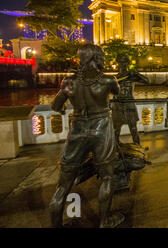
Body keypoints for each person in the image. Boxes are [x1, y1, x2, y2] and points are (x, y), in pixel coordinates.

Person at [49, 44, 124, 227]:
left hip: (78, 129)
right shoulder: (108, 80)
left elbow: (55, 106)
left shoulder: (69, 82)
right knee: (107, 177)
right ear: (96, 57)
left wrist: (67, 107)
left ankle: (56, 225)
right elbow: (118, 94)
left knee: (63, 184)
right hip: (101, 127)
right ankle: (104, 221)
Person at [111, 53, 150, 146]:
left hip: (129, 103)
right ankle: (116, 147)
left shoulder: (131, 76)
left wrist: (137, 73)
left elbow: (147, 81)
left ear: (127, 63)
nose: (123, 64)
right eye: (121, 62)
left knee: (133, 128)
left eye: (125, 62)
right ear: (118, 63)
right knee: (116, 129)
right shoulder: (115, 78)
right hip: (118, 104)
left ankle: (138, 146)